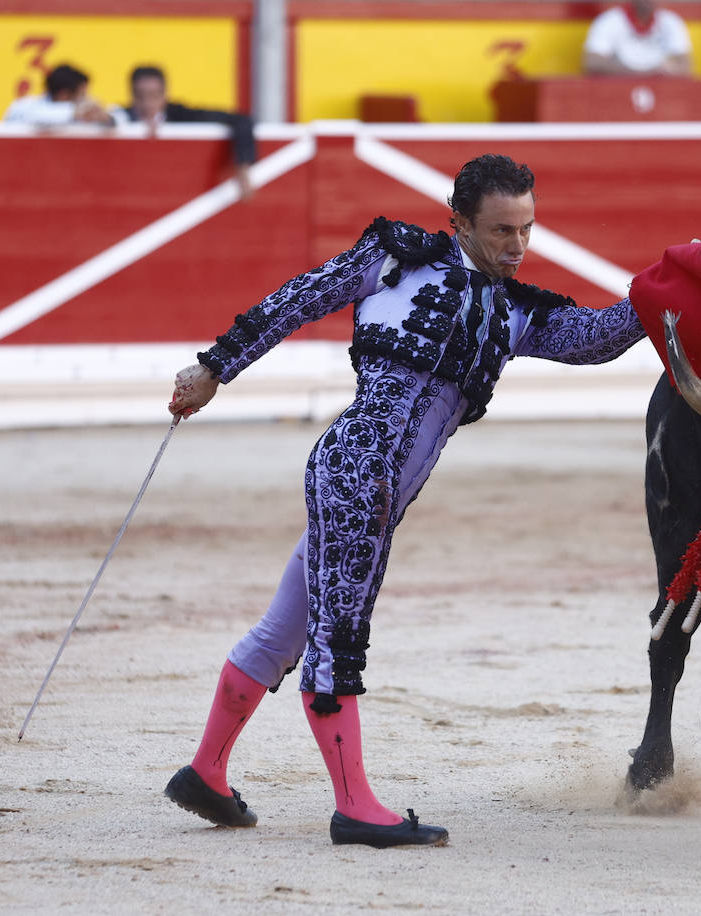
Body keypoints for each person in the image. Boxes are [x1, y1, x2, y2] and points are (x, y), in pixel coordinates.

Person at [162, 154, 646, 847]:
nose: (516, 246)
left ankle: (205, 772)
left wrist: (659, 294)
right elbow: (298, 298)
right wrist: (215, 367)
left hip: (374, 487)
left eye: (527, 230)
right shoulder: (395, 260)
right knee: (338, 639)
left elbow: (595, 340)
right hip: (358, 469)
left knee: (286, 630)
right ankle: (355, 806)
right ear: (460, 223)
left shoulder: (516, 311)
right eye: (501, 230)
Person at [123, 65, 258, 199]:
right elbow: (112, 119)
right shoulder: (123, 116)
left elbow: (241, 120)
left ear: (165, 95)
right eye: (140, 96)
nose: (147, 104)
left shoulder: (180, 114)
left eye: (154, 96)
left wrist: (243, 169)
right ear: (132, 96)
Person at [582, 1, 694, 75]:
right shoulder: (609, 20)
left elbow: (686, 66)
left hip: (662, 92)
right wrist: (639, 75)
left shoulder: (671, 21)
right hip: (616, 90)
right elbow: (592, 63)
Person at [3, 63, 119, 127]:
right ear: (64, 95)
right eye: (82, 94)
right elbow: (38, 117)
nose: (86, 98)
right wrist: (76, 112)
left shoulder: (84, 113)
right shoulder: (23, 106)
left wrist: (104, 117)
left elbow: (114, 123)